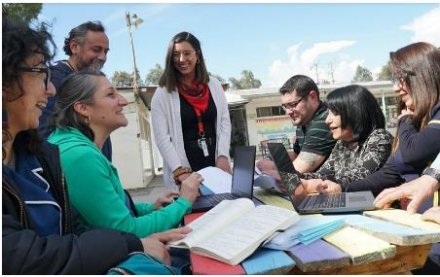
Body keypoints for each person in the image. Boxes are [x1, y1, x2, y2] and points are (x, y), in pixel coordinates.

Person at [2, 18, 189, 274]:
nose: (50, 89)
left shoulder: (39, 156)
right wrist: (183, 203)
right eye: (39, 73)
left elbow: (89, 219)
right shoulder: (74, 154)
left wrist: (144, 211)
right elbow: (26, 257)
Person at [48, 70, 202, 238]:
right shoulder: (80, 157)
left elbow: (105, 211)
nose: (123, 101)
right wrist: (184, 201)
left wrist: (148, 208)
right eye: (111, 95)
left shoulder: (73, 147)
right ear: (82, 108)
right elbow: (127, 231)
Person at [315, 42, 440, 197]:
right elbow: (388, 174)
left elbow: (413, 152)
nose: (395, 88)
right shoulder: (418, 121)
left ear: (422, 76)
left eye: (400, 78)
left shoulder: (382, 137)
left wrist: (405, 120)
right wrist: (341, 189)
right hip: (416, 216)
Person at [151, 31, 232, 189]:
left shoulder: (214, 85)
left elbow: (224, 122)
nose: (181, 59)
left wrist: (223, 155)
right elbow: (162, 138)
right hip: (185, 173)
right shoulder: (163, 92)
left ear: (198, 55)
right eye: (176, 54)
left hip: (215, 165)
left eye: (186, 53)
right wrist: (179, 171)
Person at [295, 85, 393, 194]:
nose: (327, 120)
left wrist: (313, 184)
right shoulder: (342, 143)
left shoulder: (379, 138)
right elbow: (323, 174)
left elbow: (358, 178)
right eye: (328, 113)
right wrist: (292, 177)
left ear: (355, 113)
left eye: (335, 113)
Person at [39, 21, 113, 161]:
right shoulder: (54, 82)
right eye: (96, 49)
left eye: (106, 51)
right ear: (74, 47)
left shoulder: (91, 83)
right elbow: (45, 139)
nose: (103, 57)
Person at [257, 74, 336, 175]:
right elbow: (297, 155)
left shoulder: (324, 121)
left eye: (293, 105)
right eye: (285, 106)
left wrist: (269, 167)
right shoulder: (303, 121)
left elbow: (297, 172)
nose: (288, 112)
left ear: (312, 97)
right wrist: (273, 157)